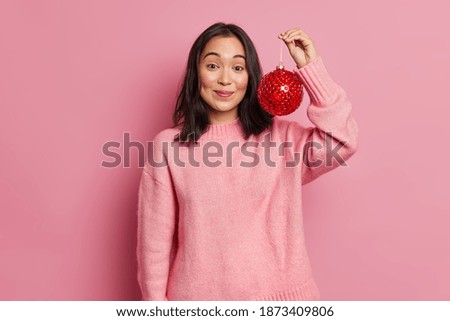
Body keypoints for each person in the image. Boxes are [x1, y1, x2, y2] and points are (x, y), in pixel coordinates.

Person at [136, 22, 358, 301]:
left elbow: (342, 140)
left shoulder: (282, 139)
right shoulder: (168, 147)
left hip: (280, 303)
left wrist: (311, 69)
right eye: (213, 66)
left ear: (251, 77)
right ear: (197, 73)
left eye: (238, 67)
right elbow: (153, 245)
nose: (225, 79)